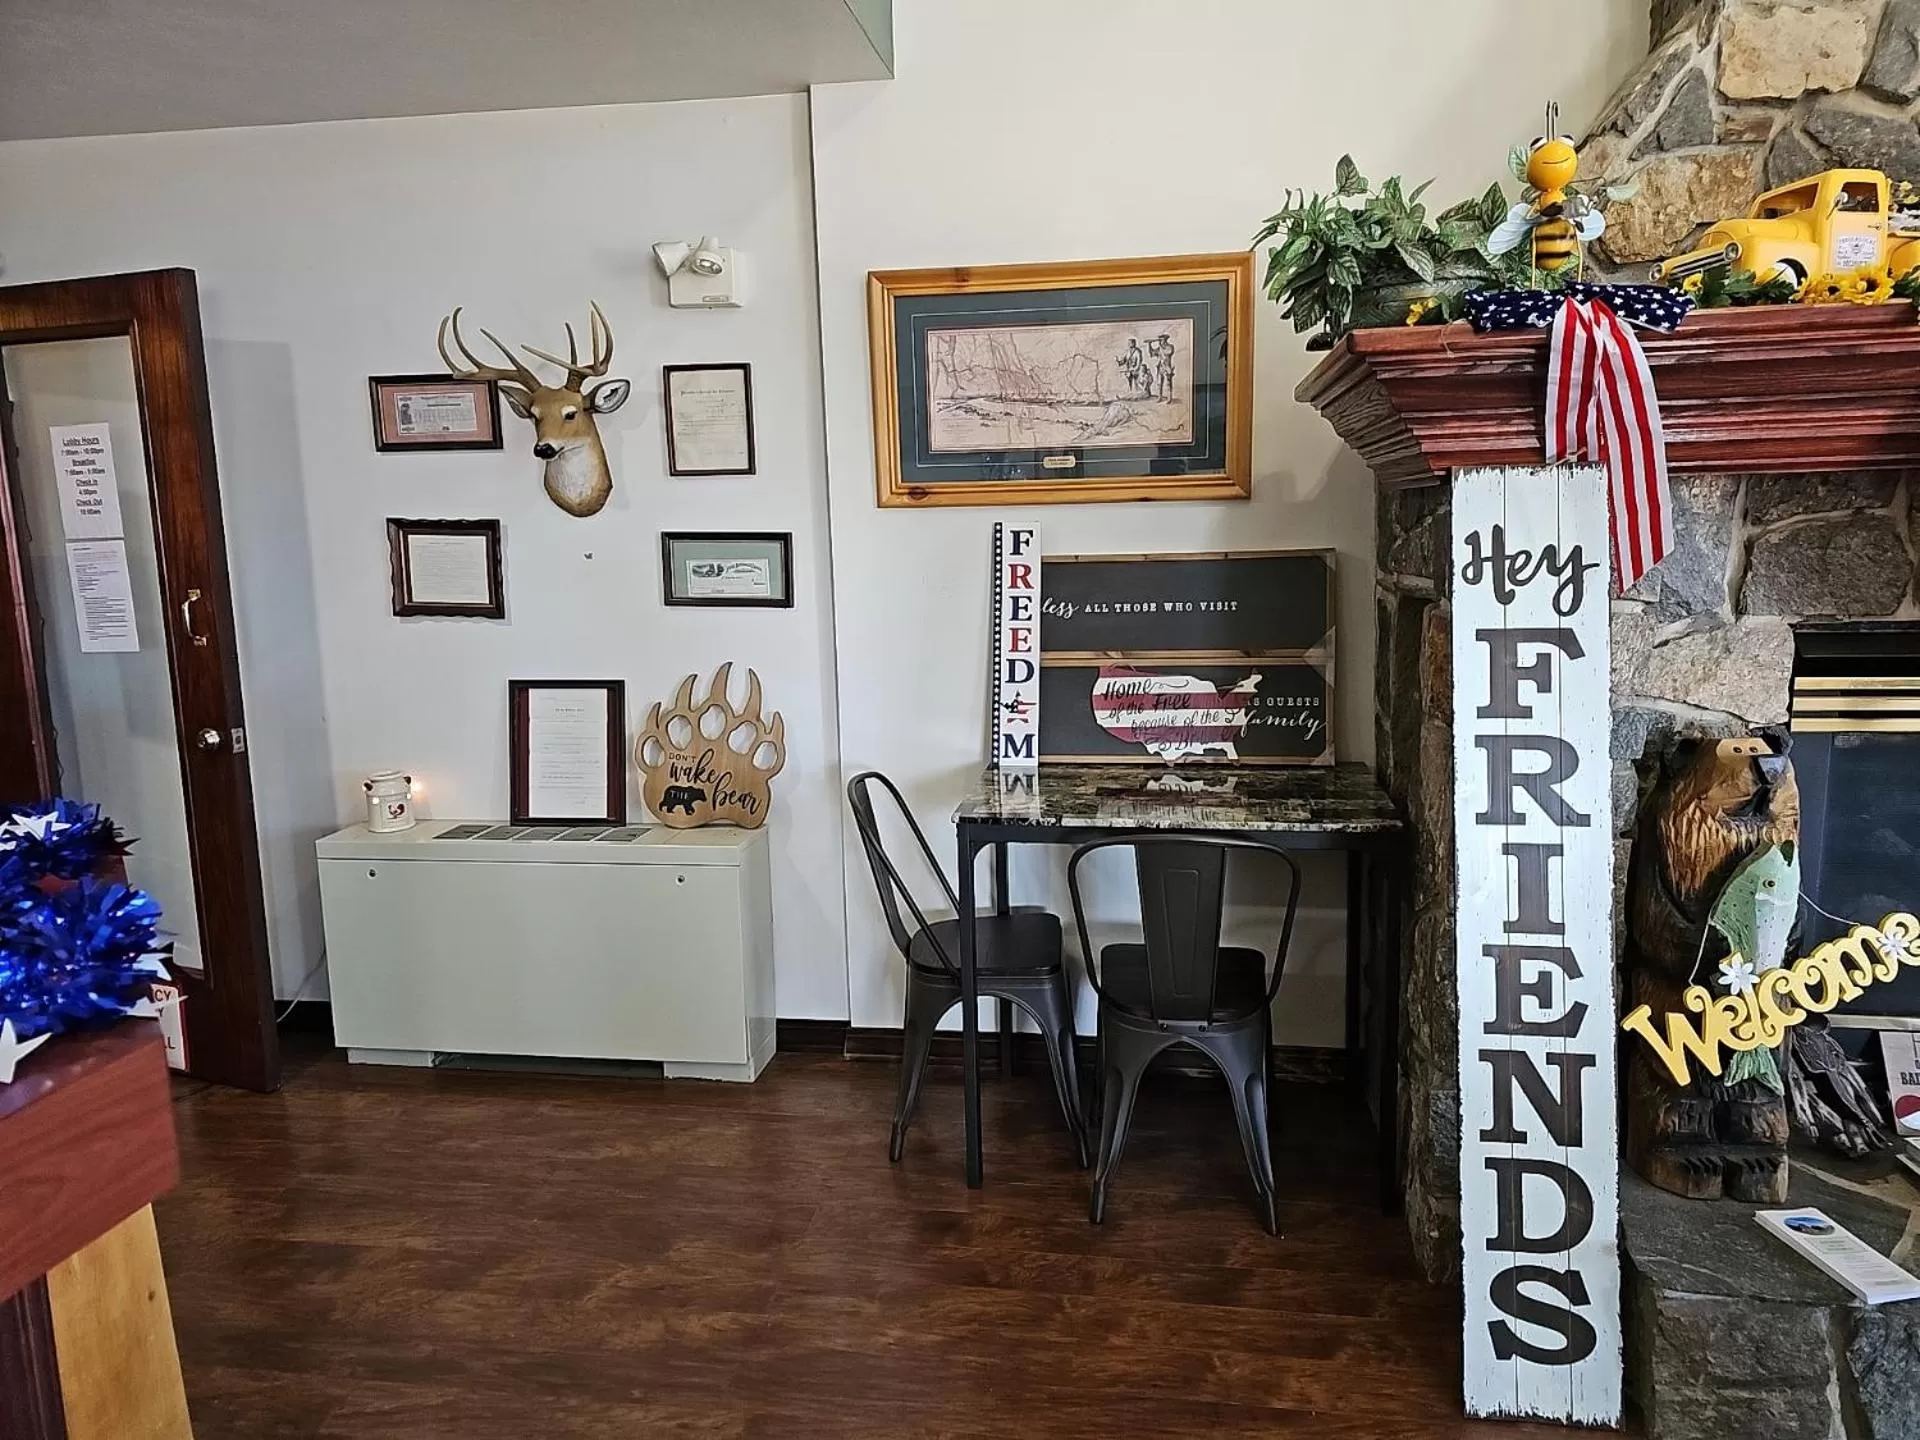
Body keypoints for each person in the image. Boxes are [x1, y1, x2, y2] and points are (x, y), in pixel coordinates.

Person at [1148, 332, 1175, 400]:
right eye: (1159, 340)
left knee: (1168, 383)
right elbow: (1152, 354)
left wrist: (1160, 346)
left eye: (1161, 340)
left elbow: (1167, 353)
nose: (1160, 342)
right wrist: (1149, 345)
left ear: (1165, 340)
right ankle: (1159, 397)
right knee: (1159, 383)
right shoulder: (1159, 348)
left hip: (1167, 367)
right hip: (1160, 367)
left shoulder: (1170, 347)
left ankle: (1169, 398)